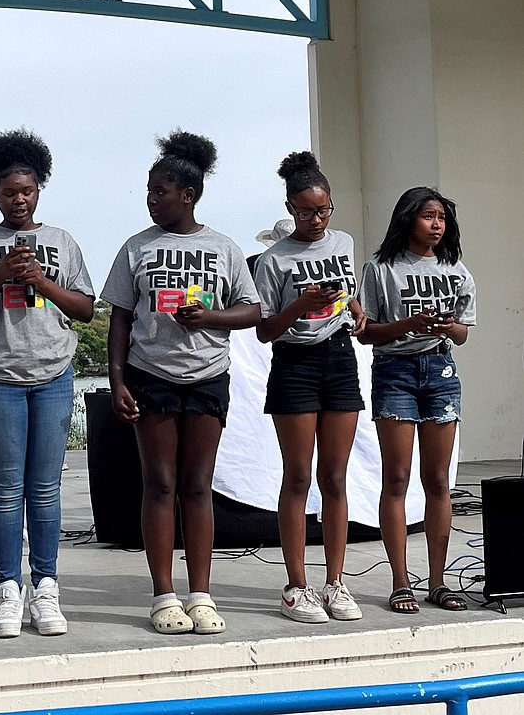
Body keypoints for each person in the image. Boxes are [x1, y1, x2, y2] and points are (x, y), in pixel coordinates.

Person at [101, 130, 260, 635]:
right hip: (153, 376)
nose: (151, 200)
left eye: (160, 191)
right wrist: (118, 379)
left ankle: (201, 594)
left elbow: (253, 310)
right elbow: (120, 319)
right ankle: (163, 595)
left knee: (197, 486)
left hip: (208, 377)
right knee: (160, 483)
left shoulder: (224, 247)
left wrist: (211, 317)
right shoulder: (137, 248)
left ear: (187, 195)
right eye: (149, 191)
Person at [0, 128, 95, 638]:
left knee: (46, 489)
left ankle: (47, 587)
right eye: (9, 192)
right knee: (7, 491)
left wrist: (41, 281)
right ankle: (8, 589)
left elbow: (86, 310)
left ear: (40, 190)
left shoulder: (62, 242)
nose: (19, 199)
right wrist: (0, 274)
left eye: (27, 191)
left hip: (53, 373)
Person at [253, 151, 368, 624]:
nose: (317, 220)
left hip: (339, 357)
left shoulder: (342, 241)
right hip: (295, 363)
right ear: (289, 208)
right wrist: (301, 302)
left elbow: (347, 290)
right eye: (305, 212)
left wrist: (355, 307)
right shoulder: (274, 259)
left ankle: (335, 583)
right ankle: (296, 586)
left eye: (324, 210)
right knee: (299, 476)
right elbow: (264, 330)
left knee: (335, 478)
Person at [358, 187, 476, 614]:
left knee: (439, 481)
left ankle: (439, 582)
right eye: (428, 216)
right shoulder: (381, 268)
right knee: (397, 478)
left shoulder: (456, 269)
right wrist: (410, 323)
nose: (437, 224)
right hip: (395, 372)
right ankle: (401, 582)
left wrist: (446, 327)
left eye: (442, 217)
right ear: (408, 218)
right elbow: (366, 331)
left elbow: (464, 332)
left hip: (441, 373)